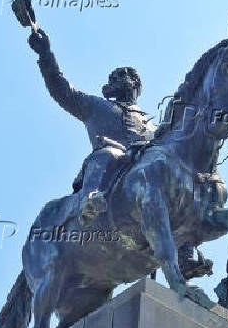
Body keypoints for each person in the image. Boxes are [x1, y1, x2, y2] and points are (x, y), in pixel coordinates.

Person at [28, 29, 156, 225]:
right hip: (108, 167)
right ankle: (89, 201)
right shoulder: (96, 106)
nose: (113, 79)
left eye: (121, 76)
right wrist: (45, 55)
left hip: (143, 174)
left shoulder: (152, 128)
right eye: (112, 77)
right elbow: (62, 90)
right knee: (109, 153)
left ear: (135, 83)